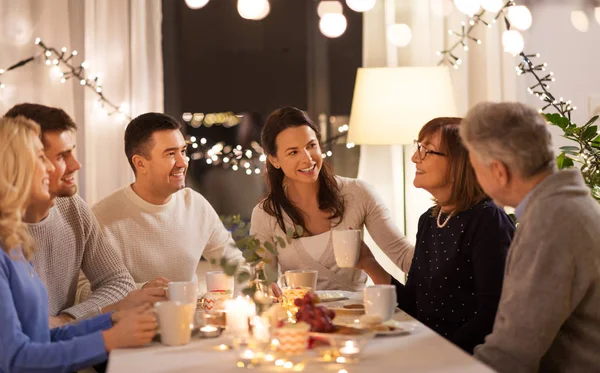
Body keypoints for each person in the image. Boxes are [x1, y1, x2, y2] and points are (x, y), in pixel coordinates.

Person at [0, 116, 157, 373]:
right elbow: (16, 360)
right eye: (41, 158)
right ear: (13, 168)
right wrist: (109, 339)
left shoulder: (14, 243)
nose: (52, 170)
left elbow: (42, 338)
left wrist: (110, 320)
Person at [460, 102, 600, 372]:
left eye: (475, 168)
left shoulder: (552, 222)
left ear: (499, 172)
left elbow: (511, 354)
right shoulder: (565, 204)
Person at [250, 106, 414, 291]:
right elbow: (263, 280)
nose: (307, 159)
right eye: (293, 152)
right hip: (302, 316)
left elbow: (403, 256)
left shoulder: (358, 193)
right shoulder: (266, 214)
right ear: (274, 160)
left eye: (311, 146)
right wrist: (265, 286)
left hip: (358, 315)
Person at [390, 117, 514, 354]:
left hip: (467, 358)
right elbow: (414, 303)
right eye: (418, 147)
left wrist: (438, 353)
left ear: (461, 162)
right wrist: (367, 263)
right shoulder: (429, 219)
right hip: (429, 349)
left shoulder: (487, 220)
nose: (415, 157)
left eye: (427, 150)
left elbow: (492, 315)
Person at [92, 112, 245, 289]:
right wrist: (140, 290)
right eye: (171, 154)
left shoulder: (195, 204)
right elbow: (84, 290)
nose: (183, 163)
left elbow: (233, 262)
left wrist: (260, 285)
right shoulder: (102, 217)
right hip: (133, 316)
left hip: (190, 314)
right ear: (140, 164)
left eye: (183, 151)